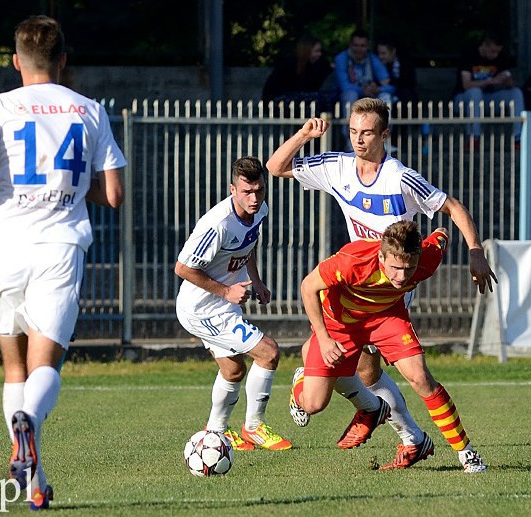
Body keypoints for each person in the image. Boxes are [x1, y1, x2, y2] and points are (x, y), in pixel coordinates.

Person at [0, 15, 126, 510]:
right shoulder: (89, 109)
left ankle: (34, 481)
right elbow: (113, 193)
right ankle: (30, 432)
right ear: (63, 61)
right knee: (44, 364)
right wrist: (69, 188)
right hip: (59, 247)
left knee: (13, 367)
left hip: (4, 244)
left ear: (15, 61)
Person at [265, 97, 496, 472]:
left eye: (367, 133)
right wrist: (305, 134)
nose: (358, 140)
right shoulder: (336, 167)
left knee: (407, 375)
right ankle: (405, 434)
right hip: (353, 284)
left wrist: (475, 250)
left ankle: (456, 451)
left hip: (391, 291)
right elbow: (276, 167)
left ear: (384, 134)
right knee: (346, 382)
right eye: (353, 132)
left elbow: (449, 208)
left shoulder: (400, 178)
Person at [291, 220, 485, 472]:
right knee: (313, 404)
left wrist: (459, 244)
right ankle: (301, 380)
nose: (402, 277)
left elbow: (442, 234)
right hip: (340, 323)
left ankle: (467, 454)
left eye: (409, 268)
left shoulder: (426, 258)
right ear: (381, 256)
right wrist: (324, 338)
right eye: (395, 268)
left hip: (386, 317)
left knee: (420, 377)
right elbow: (308, 286)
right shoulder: (354, 260)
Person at [175, 156, 292, 453]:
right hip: (202, 308)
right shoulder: (217, 224)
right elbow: (183, 268)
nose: (254, 199)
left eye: (259, 191)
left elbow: (248, 245)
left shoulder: (259, 210)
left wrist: (258, 281)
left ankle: (216, 432)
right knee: (268, 352)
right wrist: (226, 291)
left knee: (234, 371)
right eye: (246, 192)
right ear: (232, 190)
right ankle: (253, 427)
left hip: (220, 306)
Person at [451, 31, 525, 151]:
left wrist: (506, 80)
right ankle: (473, 138)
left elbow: (510, 83)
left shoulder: (500, 58)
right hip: (464, 100)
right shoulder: (469, 55)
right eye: (492, 51)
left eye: (497, 51)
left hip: (486, 100)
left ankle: (519, 139)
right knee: (475, 92)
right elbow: (466, 85)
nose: (495, 55)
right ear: (484, 45)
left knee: (516, 92)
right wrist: (491, 81)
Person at [262, 34, 334, 109]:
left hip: (293, 97)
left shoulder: (310, 65)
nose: (319, 54)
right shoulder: (289, 64)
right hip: (276, 100)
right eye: (316, 51)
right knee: (318, 98)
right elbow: (301, 87)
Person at [335, 29, 394, 112]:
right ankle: (348, 125)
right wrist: (363, 91)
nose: (359, 49)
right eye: (355, 45)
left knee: (385, 96)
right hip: (346, 96)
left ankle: (384, 125)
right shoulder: (341, 58)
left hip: (370, 95)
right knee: (351, 94)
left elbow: (390, 86)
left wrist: (378, 89)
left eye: (362, 46)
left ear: (368, 46)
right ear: (350, 45)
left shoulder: (373, 59)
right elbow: (344, 86)